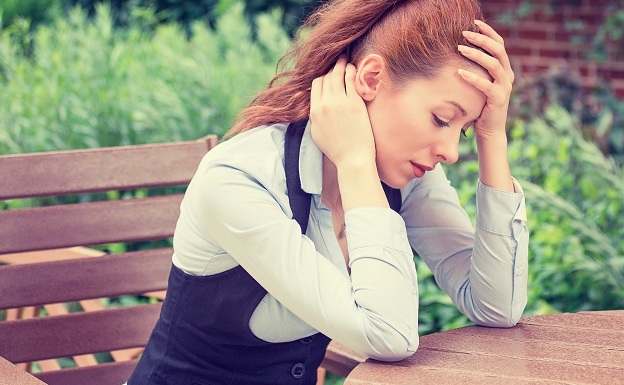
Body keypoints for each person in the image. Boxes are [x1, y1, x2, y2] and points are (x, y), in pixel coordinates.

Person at [127, 0, 528, 384]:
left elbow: (497, 306)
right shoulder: (239, 180)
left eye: (463, 130)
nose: (451, 152)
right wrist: (354, 162)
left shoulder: (404, 176)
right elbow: (390, 335)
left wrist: (492, 134)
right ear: (371, 79)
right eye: (442, 118)